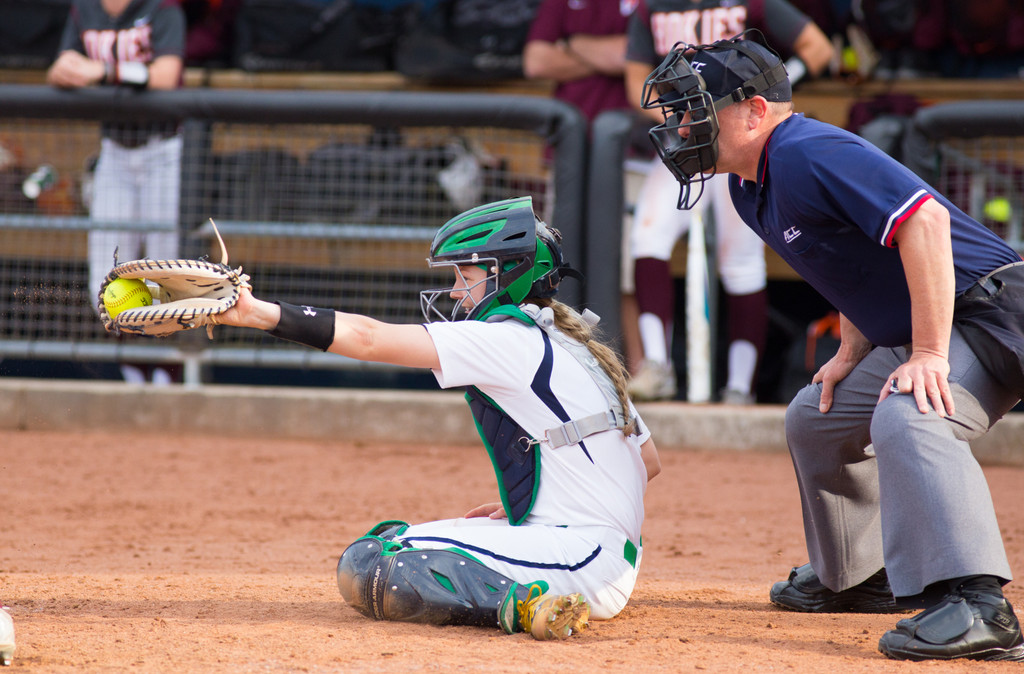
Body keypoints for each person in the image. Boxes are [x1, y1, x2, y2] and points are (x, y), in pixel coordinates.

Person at [642, 34, 1024, 661]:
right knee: (816, 416)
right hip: (933, 323)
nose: (683, 124)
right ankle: (859, 577)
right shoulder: (747, 185)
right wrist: (852, 351)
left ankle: (980, 603)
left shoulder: (806, 149)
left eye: (697, 107)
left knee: (910, 416)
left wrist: (927, 353)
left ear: (756, 110)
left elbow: (922, 222)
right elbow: (846, 262)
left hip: (992, 312)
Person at [216, 196, 661, 640]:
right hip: (599, 557)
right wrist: (545, 502)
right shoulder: (576, 345)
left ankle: (531, 608)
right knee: (395, 539)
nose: (453, 291)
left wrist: (257, 313)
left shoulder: (509, 338)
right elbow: (649, 462)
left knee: (373, 563)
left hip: (583, 561)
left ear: (506, 277)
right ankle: (538, 596)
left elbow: (369, 339)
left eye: (464, 276)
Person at [623, 0, 834, 402]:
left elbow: (819, 48)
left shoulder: (753, 2)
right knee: (647, 237)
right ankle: (657, 366)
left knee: (741, 262)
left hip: (740, 142)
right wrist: (685, 120)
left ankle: (741, 385)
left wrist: (771, 86)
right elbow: (638, 83)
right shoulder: (652, 7)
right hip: (684, 140)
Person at [46, 0, 186, 385]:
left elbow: (166, 74)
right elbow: (61, 66)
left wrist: (102, 71)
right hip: (115, 152)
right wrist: (68, 70)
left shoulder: (162, 8)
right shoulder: (84, 10)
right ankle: (132, 370)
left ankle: (167, 371)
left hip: (164, 151)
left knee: (165, 273)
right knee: (105, 277)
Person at [522, 0, 648, 375]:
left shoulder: (646, 5)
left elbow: (640, 61)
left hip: (632, 154)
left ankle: (638, 373)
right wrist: (609, 56)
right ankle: (563, 366)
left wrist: (574, 44)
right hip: (568, 156)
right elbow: (536, 61)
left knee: (625, 267)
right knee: (553, 263)